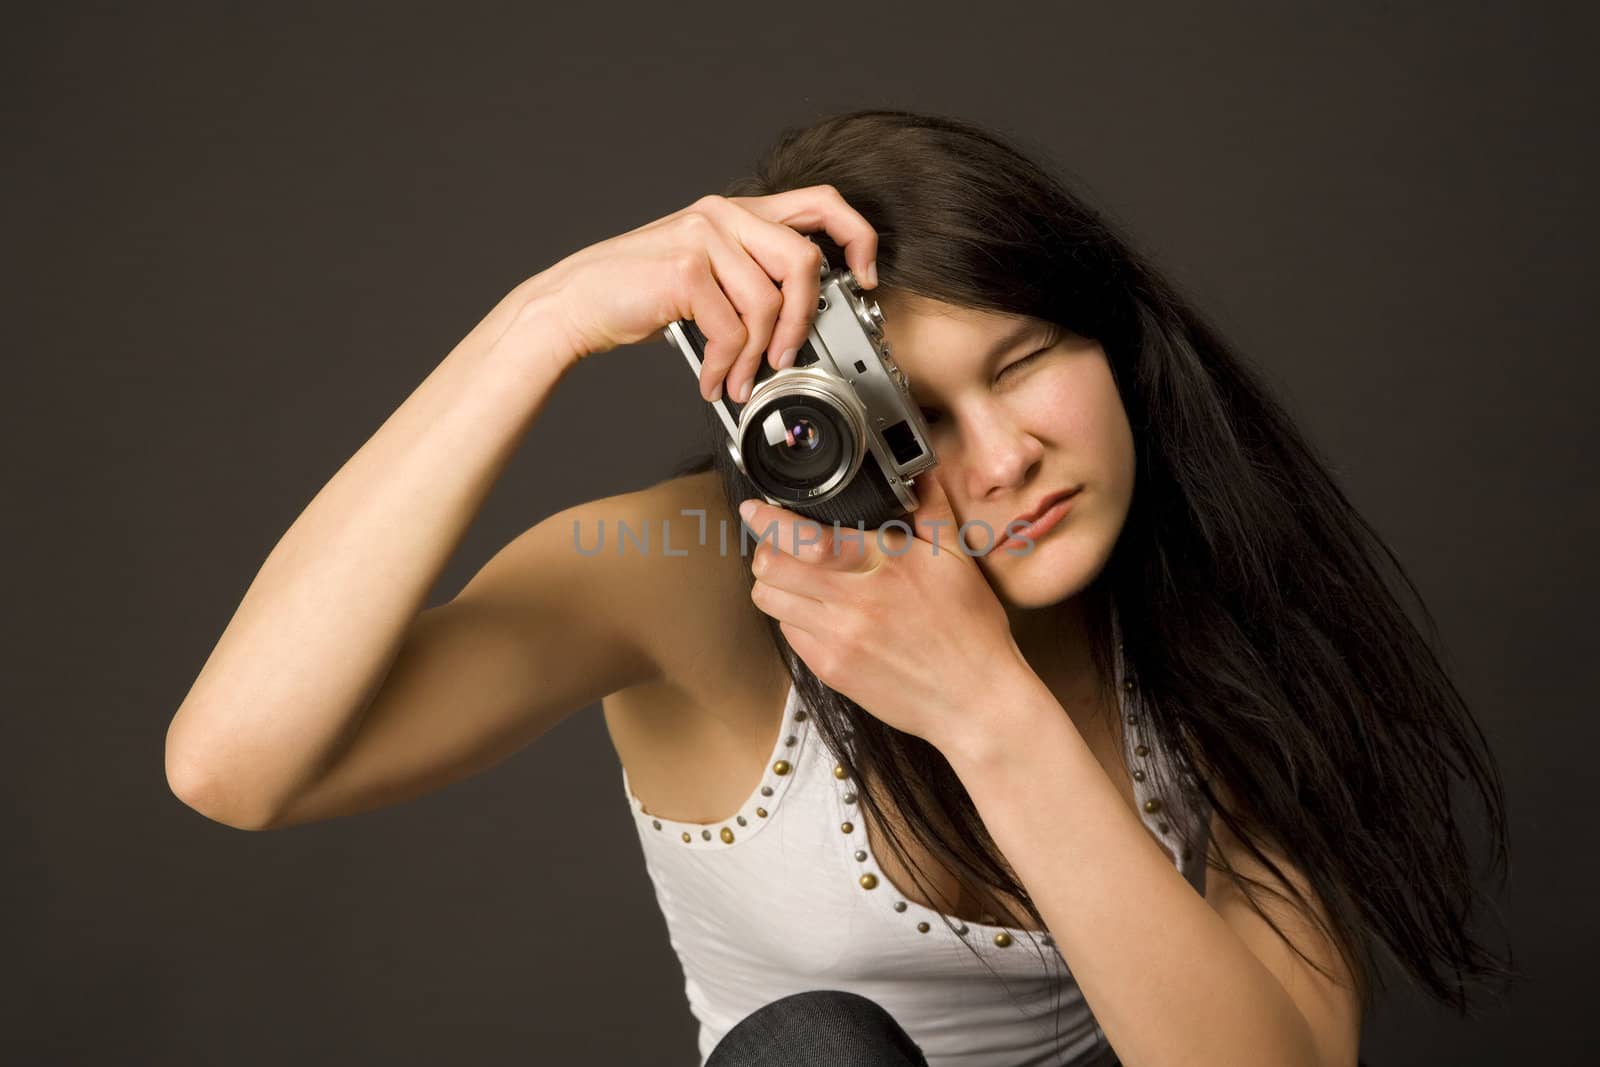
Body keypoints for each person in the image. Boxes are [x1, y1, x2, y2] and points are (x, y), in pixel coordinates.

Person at [164, 109, 1517, 1066]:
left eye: (1027, 359)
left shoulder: (1220, 592)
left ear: (1117, 342)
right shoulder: (694, 575)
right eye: (918, 415)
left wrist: (984, 706)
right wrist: (543, 319)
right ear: (819, 430)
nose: (1006, 461)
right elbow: (235, 767)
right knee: (817, 1051)